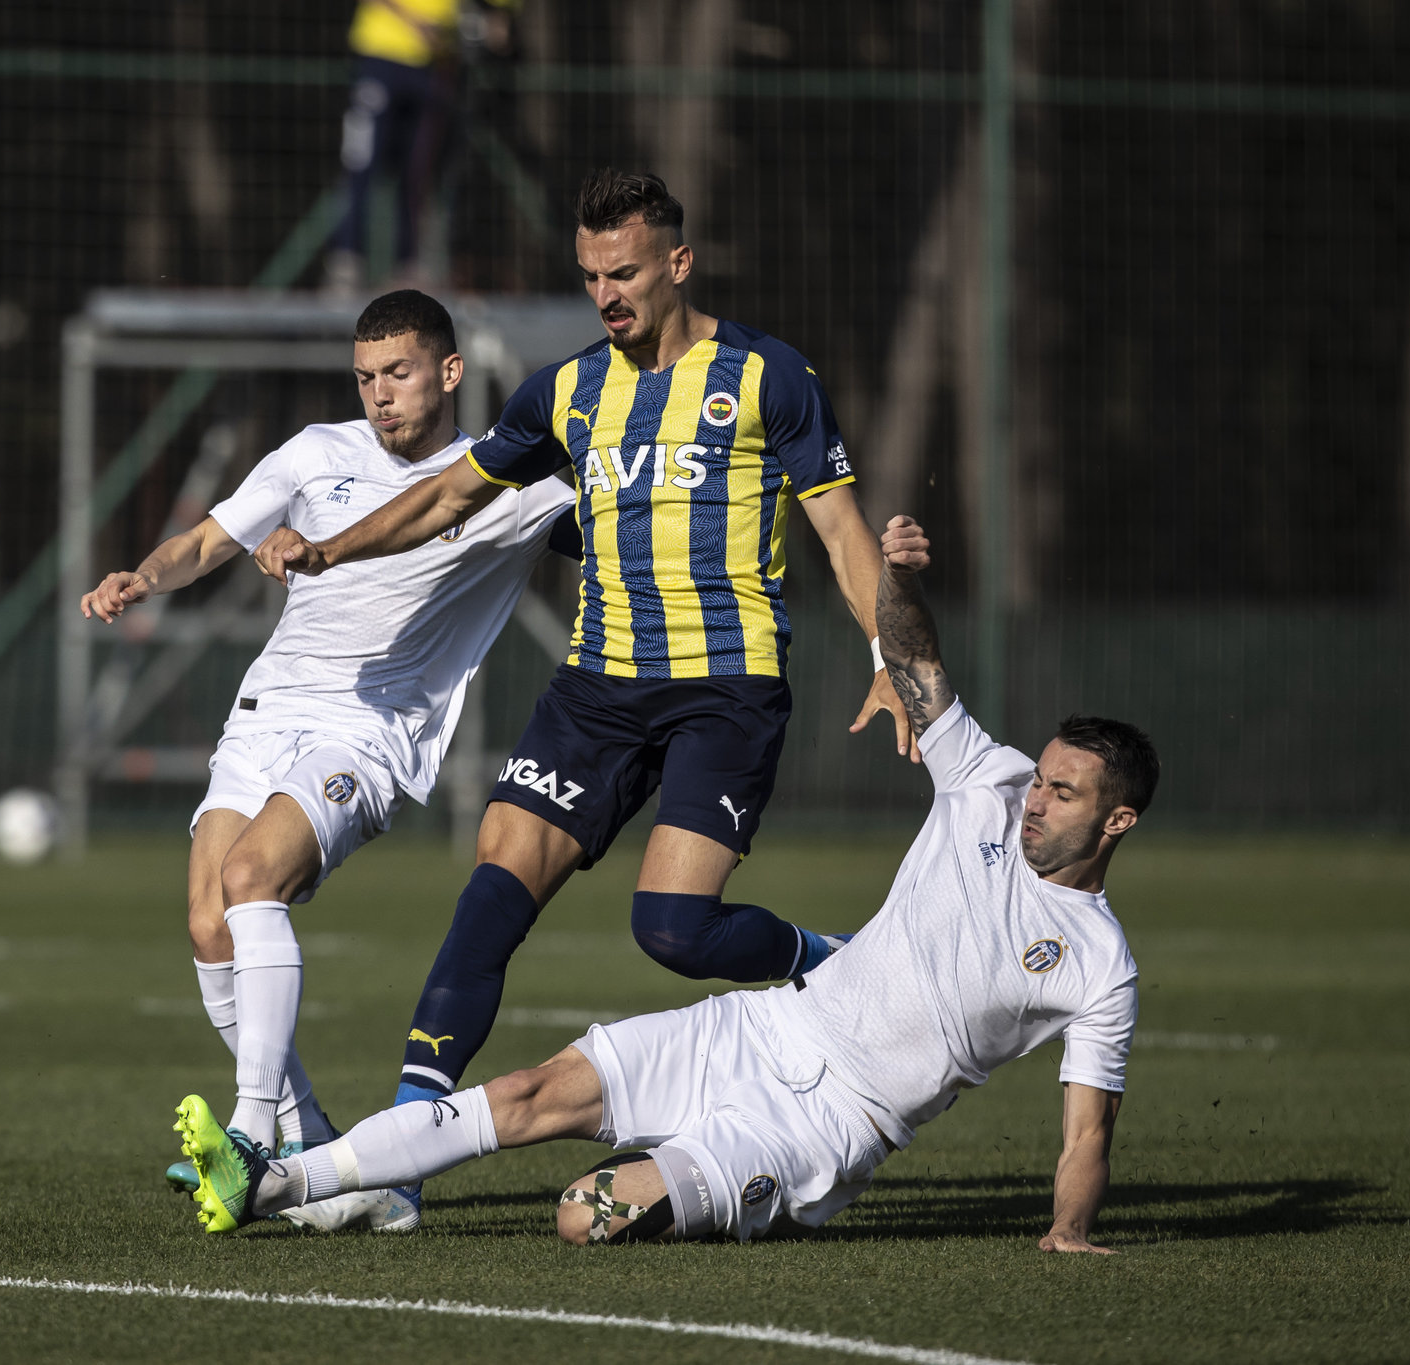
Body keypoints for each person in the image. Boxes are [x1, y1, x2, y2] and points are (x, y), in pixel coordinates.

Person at [173, 514, 1157, 1252]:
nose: (1035, 798)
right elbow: (915, 659)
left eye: (1062, 794)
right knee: (524, 1093)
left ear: (1116, 821)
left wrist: (1067, 1232)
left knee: (582, 1215)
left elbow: (1086, 1132)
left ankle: (706, 1183)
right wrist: (889, 573)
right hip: (763, 1027)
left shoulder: (1097, 964)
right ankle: (272, 1183)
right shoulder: (987, 782)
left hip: (827, 1123)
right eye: (1040, 775)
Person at [257, 169, 919, 1230]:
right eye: (589, 275)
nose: (604, 293)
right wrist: (328, 549)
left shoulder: (766, 376)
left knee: (674, 931)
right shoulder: (565, 391)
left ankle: (834, 963)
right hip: (596, 690)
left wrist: (892, 657)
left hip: (724, 689)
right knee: (493, 886)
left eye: (623, 273)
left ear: (677, 264)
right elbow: (449, 492)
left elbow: (841, 533)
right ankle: (402, 1149)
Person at [77, 291, 575, 1178]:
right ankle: (310, 1135)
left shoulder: (508, 483)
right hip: (266, 710)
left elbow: (625, 516)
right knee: (207, 924)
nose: (379, 394)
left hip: (368, 732)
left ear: (449, 373)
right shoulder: (315, 450)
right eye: (365, 377)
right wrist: (142, 577)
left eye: (399, 373)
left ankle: (251, 1133)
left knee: (249, 878)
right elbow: (205, 540)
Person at [326, 0, 516, 291]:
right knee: (361, 164)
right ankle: (347, 262)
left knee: (418, 172)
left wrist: (491, 18)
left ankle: (408, 266)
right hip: (381, 58)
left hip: (433, 66)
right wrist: (414, 22)